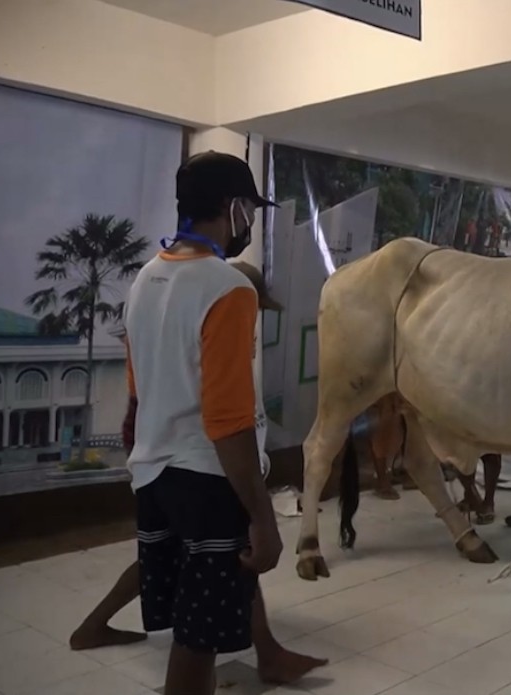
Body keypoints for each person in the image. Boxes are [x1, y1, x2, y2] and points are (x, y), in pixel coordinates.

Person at [117, 151, 309, 695]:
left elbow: (137, 394)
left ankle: (269, 654)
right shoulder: (228, 287)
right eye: (249, 208)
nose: (249, 221)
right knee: (197, 643)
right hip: (206, 480)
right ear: (233, 208)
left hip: (155, 479)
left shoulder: (144, 281)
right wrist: (262, 517)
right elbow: (227, 420)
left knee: (189, 628)